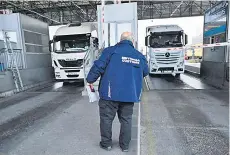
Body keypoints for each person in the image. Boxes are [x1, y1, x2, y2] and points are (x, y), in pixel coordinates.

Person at [86, 32, 149, 152]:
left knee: (106, 119)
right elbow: (145, 72)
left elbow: (98, 66)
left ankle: (106, 144)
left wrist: (90, 80)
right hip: (129, 94)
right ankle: (125, 146)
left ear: (120, 40)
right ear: (132, 42)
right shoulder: (139, 56)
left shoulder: (110, 51)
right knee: (126, 120)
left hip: (109, 94)